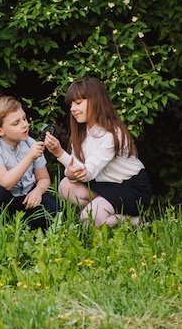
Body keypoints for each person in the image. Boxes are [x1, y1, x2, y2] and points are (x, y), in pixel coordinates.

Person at [43, 77, 151, 227]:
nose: (72, 108)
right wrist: (70, 172)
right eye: (71, 104)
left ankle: (136, 221)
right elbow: (75, 170)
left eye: (78, 103)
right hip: (103, 185)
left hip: (130, 187)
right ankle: (102, 210)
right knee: (65, 187)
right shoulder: (82, 133)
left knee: (88, 218)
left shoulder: (112, 134)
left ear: (95, 101)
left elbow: (87, 173)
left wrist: (59, 153)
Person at [0, 96, 60, 230]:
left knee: (55, 208)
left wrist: (37, 192)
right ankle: (1, 228)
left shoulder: (31, 143)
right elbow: (6, 182)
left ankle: (28, 228)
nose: (24, 125)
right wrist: (29, 157)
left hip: (28, 198)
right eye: (16, 123)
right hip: (6, 199)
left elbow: (44, 178)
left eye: (24, 119)